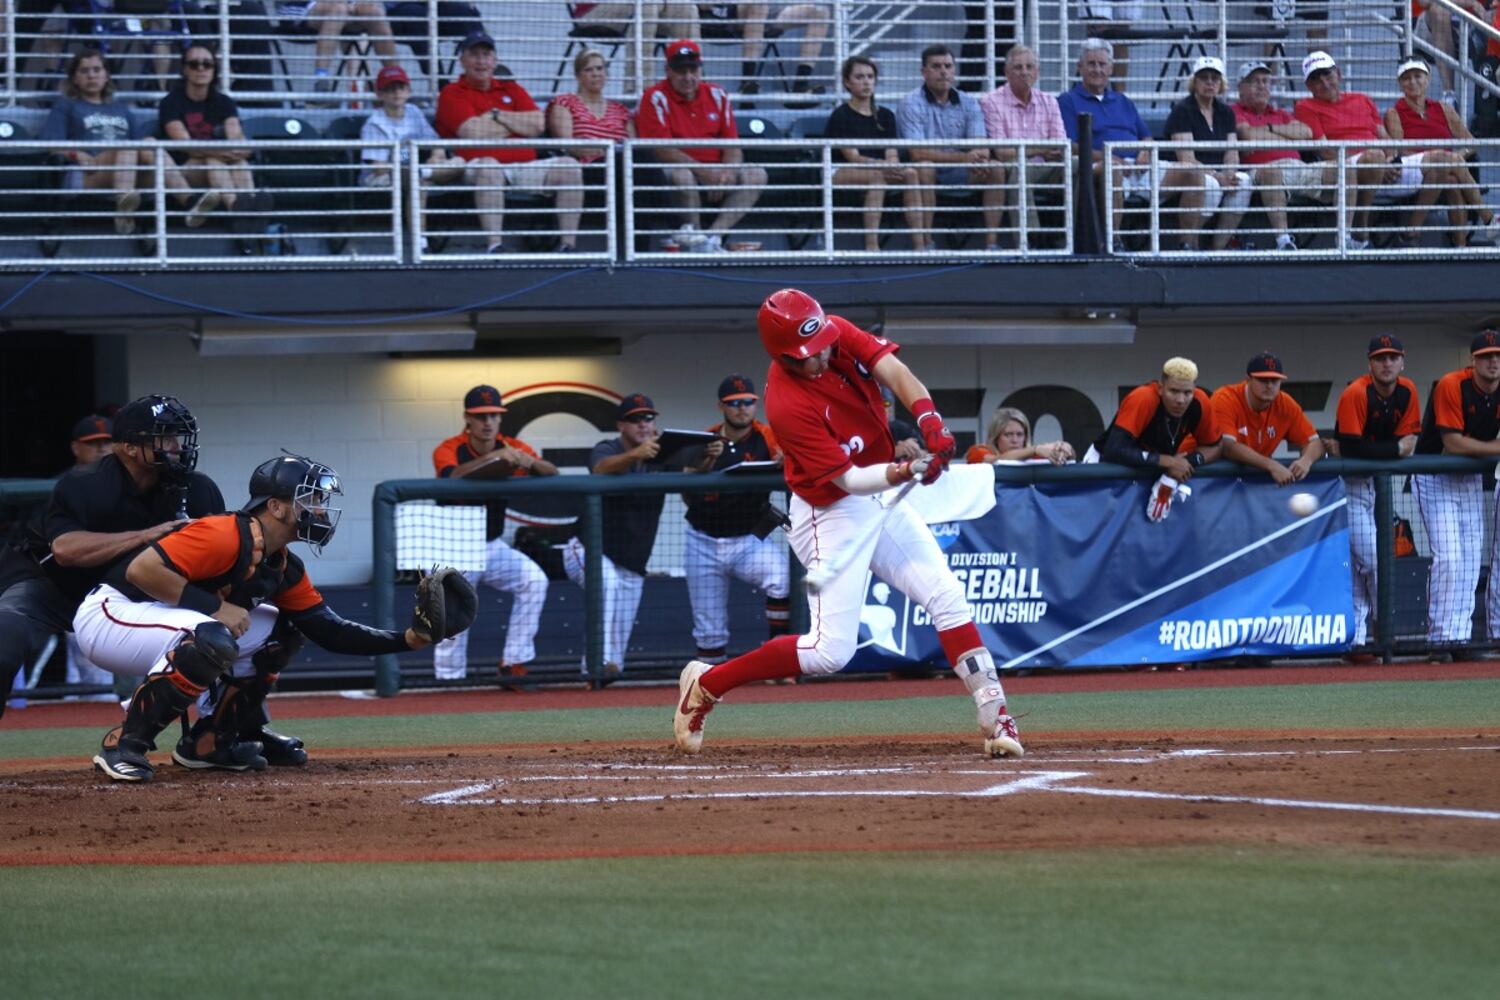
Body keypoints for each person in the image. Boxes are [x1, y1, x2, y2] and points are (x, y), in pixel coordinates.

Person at [671, 288, 1024, 759]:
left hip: (880, 498)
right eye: (807, 356)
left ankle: (995, 712)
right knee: (829, 653)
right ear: (783, 356)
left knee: (945, 593)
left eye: (821, 346)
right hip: (830, 510)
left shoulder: (832, 332)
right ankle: (707, 685)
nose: (820, 358)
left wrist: (930, 420)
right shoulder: (786, 405)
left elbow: (896, 373)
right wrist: (905, 471)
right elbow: (847, 479)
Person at [82, 454, 457, 782]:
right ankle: (124, 745)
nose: (321, 510)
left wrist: (408, 639)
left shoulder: (281, 565)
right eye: (310, 499)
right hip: (111, 613)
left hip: (169, 618)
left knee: (284, 630)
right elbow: (141, 571)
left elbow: (329, 630)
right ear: (276, 507)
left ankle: (213, 741)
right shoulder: (224, 533)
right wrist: (215, 608)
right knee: (212, 637)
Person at [0, 395, 223, 724]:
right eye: (164, 438)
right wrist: (149, 533)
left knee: (221, 630)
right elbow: (66, 550)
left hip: (124, 593)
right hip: (52, 586)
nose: (176, 446)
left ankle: (215, 735)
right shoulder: (85, 483)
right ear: (130, 448)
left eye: (178, 437)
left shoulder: (197, 488)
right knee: (6, 633)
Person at [429, 385, 556, 684]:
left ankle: (514, 662)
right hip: (453, 545)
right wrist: (498, 458)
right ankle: (449, 681)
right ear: (467, 419)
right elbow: (452, 476)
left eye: (493, 415)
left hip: (491, 544)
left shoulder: (513, 445)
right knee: (453, 614)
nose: (487, 422)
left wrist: (531, 463)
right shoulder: (450, 447)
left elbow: (552, 472)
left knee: (535, 580)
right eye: (480, 415)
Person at [434, 31, 584, 254]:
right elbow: (474, 132)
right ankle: (495, 245)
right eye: (474, 55)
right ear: (462, 60)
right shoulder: (452, 92)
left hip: (524, 166)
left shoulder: (511, 88)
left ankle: (568, 246)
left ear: (494, 61)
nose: (481, 61)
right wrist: (515, 123)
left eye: (486, 55)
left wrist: (496, 115)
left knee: (570, 166)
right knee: (489, 165)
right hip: (477, 166)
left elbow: (538, 124)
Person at [562, 393, 676, 677]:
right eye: (635, 419)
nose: (643, 425)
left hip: (632, 557)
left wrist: (707, 459)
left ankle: (607, 681)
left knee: (622, 624)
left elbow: (693, 470)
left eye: (648, 419)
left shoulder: (665, 453)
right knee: (606, 584)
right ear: (621, 425)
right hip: (587, 548)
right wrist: (634, 455)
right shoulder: (607, 447)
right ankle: (595, 668)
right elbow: (600, 468)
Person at [681, 374, 790, 664]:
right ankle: (708, 684)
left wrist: (786, 459)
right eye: (734, 404)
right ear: (721, 407)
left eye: (748, 403)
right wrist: (706, 463)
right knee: (708, 629)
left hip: (748, 540)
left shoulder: (767, 436)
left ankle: (778, 658)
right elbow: (685, 490)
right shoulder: (706, 439)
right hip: (702, 539)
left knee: (782, 577)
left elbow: (793, 458)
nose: (742, 409)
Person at [1412, 330, 1500, 659]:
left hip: (1469, 479)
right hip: (1434, 475)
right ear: (1473, 361)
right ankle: (1440, 640)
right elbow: (1453, 443)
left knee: (1469, 563)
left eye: (1497, 355)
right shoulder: (1451, 384)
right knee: (1449, 558)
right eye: (1486, 356)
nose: (1493, 361)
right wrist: (1495, 448)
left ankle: (1459, 639)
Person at [636, 39, 768, 253]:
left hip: (717, 171)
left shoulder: (718, 94)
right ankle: (695, 238)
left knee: (757, 174)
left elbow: (732, 145)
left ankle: (713, 238)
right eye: (681, 71)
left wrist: (727, 171)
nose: (688, 77)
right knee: (682, 176)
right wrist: (704, 171)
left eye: (693, 70)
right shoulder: (654, 96)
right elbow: (660, 149)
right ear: (667, 70)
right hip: (677, 170)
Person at [1334, 335, 1421, 649]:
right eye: (1380, 358)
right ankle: (1384, 628)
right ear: (1369, 363)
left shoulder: (1408, 390)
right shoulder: (1356, 392)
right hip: (1348, 483)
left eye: (1392, 357)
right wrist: (1394, 449)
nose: (1387, 364)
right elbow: (1351, 446)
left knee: (1361, 567)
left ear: (1402, 360)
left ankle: (1356, 640)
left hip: (1376, 485)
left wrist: (1393, 449)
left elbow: (1409, 443)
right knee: (1373, 560)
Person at [40, 50, 171, 237]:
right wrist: (76, 153)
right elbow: (50, 143)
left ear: (106, 75)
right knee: (127, 148)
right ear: (75, 78)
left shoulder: (121, 109)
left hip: (125, 169)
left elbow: (138, 145)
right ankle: (124, 208)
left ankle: (189, 199)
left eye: (96, 70)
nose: (91, 75)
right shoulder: (66, 105)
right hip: (90, 170)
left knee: (149, 144)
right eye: (84, 71)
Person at [159, 45, 273, 250]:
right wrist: (222, 151)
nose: (201, 69)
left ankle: (246, 212)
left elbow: (236, 136)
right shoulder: (171, 102)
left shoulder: (223, 102)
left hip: (220, 168)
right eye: (194, 64)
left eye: (207, 64)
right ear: (184, 70)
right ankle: (244, 214)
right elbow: (185, 146)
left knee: (239, 161)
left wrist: (239, 148)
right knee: (215, 160)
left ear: (214, 69)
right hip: (184, 172)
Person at [897, 44, 1005, 252]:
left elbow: (980, 145)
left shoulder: (968, 102)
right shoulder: (910, 103)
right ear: (924, 72)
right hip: (928, 172)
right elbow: (917, 152)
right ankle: (926, 243)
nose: (943, 71)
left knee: (996, 168)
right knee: (925, 166)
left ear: (954, 71)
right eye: (936, 66)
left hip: (961, 170)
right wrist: (965, 158)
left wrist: (980, 158)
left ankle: (992, 243)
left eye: (948, 66)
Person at [1383, 57, 1500, 247]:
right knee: (1444, 160)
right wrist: (1442, 158)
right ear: (1400, 84)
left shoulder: (1444, 109)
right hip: (1412, 169)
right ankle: (1489, 219)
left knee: (1452, 179)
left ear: (1428, 79)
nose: (1413, 82)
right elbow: (1398, 150)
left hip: (1443, 169)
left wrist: (1455, 159)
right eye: (1406, 78)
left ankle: (1459, 245)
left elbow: (1471, 143)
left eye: (1417, 76)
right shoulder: (1393, 113)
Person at [1293, 51, 1396, 251]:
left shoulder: (1362, 99)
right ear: (1308, 86)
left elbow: (1384, 136)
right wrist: (1378, 161)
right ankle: (1361, 223)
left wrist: (1392, 159)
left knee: (1443, 161)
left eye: (1327, 75)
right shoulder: (1305, 106)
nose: (1323, 82)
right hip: (1345, 162)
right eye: (1315, 79)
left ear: (1338, 74)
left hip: (1382, 161)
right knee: (1374, 156)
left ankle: (1417, 236)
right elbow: (1326, 151)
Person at [1057, 37, 1152, 250]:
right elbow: (1070, 145)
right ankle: (1113, 242)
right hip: (1102, 165)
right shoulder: (1068, 101)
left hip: (1138, 166)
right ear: (1080, 67)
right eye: (1091, 64)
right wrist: (1108, 157)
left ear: (1111, 69)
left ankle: (1189, 245)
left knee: (1190, 174)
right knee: (1113, 170)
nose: (1097, 69)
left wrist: (1145, 151)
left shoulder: (1123, 100)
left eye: (1102, 64)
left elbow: (1146, 135)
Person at [823, 55, 923, 252]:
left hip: (879, 168)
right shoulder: (841, 115)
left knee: (911, 173)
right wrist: (883, 165)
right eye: (859, 77)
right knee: (878, 178)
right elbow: (852, 156)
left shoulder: (885, 115)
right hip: (840, 170)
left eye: (870, 76)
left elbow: (891, 151)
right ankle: (872, 246)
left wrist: (893, 164)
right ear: (847, 82)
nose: (866, 81)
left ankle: (920, 245)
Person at [359, 64, 463, 253]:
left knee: (460, 163)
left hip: (413, 167)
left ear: (408, 91)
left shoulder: (413, 111)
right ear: (380, 94)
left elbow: (434, 141)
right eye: (390, 89)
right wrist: (407, 165)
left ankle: (423, 172)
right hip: (382, 176)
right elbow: (379, 168)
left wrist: (436, 155)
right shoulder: (373, 123)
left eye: (400, 87)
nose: (396, 93)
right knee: (417, 178)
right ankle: (420, 241)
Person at [1161, 56, 1252, 252]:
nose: (1210, 82)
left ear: (1221, 84)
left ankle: (1218, 246)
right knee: (1209, 184)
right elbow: (1186, 158)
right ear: (1194, 82)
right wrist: (1217, 176)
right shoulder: (1182, 110)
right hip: (1189, 173)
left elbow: (1231, 151)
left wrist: (1229, 174)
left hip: (1218, 172)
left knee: (1243, 181)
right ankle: (1191, 242)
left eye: (1215, 78)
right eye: (1204, 78)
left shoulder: (1226, 112)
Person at [1230, 60, 1323, 253]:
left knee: (1342, 171)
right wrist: (1289, 138)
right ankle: (1284, 241)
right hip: (1263, 172)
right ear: (1241, 87)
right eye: (1255, 81)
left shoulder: (1280, 113)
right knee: (1272, 172)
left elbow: (1306, 133)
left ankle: (1353, 238)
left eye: (1265, 81)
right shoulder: (1234, 112)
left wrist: (1269, 129)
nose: (1262, 86)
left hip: (1298, 168)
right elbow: (1248, 135)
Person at [979, 44, 1067, 245]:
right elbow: (1002, 152)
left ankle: (1079, 233)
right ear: (1007, 73)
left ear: (1037, 72)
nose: (1024, 72)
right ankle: (1030, 238)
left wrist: (1043, 151)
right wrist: (1042, 149)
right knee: (1021, 171)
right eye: (1018, 68)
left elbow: (1060, 144)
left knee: (1080, 166)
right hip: (1015, 166)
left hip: (1048, 165)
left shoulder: (1049, 101)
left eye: (1029, 67)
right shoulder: (991, 102)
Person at [1085, 357, 1221, 480]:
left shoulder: (1199, 401)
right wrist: (1169, 461)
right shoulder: (1144, 398)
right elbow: (1114, 450)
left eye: (1187, 392)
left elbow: (1216, 446)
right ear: (1161, 388)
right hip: (1105, 464)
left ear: (1194, 389)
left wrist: (1189, 461)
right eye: (1173, 391)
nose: (1180, 400)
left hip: (1152, 469)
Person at [1211, 351, 1325, 485]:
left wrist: (1306, 460)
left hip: (1243, 483)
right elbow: (1227, 447)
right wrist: (1271, 465)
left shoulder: (1285, 404)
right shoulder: (1225, 398)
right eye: (1263, 380)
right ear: (1248, 380)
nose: (1270, 386)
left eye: (1275, 380)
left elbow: (1315, 443)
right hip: (1201, 477)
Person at [274, 0, 401, 104]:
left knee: (374, 12)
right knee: (337, 9)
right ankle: (321, 82)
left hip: (344, 6)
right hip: (298, 6)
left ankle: (397, 81)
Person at [698, 3, 830, 102]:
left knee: (820, 12)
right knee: (758, 4)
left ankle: (801, 85)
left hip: (758, 12)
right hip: (713, 15)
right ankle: (747, 82)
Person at [574, 2, 700, 93]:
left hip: (646, 8)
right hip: (594, 10)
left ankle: (691, 86)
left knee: (686, 8)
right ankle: (639, 89)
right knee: (646, 4)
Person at [547, 49, 637, 166]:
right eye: (588, 70)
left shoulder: (621, 111)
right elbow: (567, 145)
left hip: (622, 165)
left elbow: (634, 146)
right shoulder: (564, 103)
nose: (596, 74)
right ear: (578, 76)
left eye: (600, 68)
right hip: (590, 167)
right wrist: (604, 150)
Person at [966, 406, 1074, 464]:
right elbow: (996, 461)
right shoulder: (978, 451)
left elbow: (1070, 457)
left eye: (1019, 434)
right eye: (1008, 435)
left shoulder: (1031, 455)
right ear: (995, 437)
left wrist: (1064, 448)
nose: (1014, 440)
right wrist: (1035, 449)